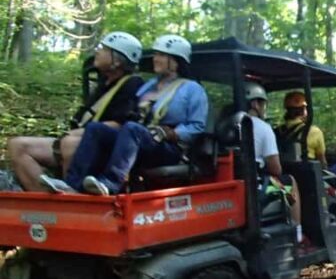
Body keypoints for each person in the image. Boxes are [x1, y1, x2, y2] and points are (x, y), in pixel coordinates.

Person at [40, 34, 207, 195]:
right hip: (138, 140)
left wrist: (172, 133)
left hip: (168, 149)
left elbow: (197, 126)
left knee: (133, 129)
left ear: (176, 61)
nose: (156, 58)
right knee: (96, 128)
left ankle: (110, 183)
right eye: (156, 54)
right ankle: (71, 183)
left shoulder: (192, 89)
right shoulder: (149, 86)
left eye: (162, 55)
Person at [6, 31, 144, 192]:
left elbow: (124, 124)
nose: (97, 52)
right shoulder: (104, 84)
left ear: (118, 60)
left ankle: (72, 197)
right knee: (17, 145)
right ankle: (46, 198)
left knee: (70, 143)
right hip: (76, 138)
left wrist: (81, 133)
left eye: (105, 49)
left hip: (106, 147)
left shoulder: (133, 84)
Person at [275, 91, 336, 218]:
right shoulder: (313, 131)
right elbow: (322, 163)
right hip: (314, 180)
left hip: (289, 178)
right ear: (304, 111)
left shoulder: (277, 132)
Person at [244, 82, 303, 241]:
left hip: (237, 182)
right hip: (256, 186)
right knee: (290, 182)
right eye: (263, 104)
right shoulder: (262, 127)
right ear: (255, 103)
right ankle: (297, 235)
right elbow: (276, 169)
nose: (264, 108)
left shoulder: (228, 124)